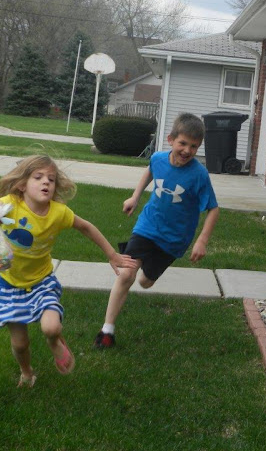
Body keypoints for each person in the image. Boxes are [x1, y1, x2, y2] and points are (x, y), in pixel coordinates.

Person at [0, 155, 138, 387]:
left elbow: (86, 227)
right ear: (22, 184)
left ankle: (54, 342)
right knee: (20, 344)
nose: (46, 182)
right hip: (9, 284)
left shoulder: (58, 213)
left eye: (51, 179)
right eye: (38, 177)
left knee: (51, 328)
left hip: (42, 281)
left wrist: (112, 254)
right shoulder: (9, 204)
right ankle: (27, 372)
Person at [94, 113, 220, 349]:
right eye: (183, 143)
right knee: (126, 274)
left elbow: (213, 209)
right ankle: (107, 331)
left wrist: (202, 240)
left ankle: (145, 266)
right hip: (148, 226)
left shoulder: (199, 175)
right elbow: (151, 170)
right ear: (171, 139)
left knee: (145, 282)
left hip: (174, 239)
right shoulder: (158, 158)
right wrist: (135, 196)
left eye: (194, 146)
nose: (187, 150)